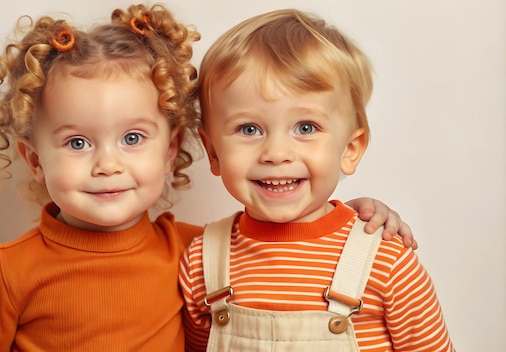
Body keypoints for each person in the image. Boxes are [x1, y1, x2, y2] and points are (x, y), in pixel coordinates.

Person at [0, 4, 417, 351]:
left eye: (132, 138)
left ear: (172, 148)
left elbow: (286, 240)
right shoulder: (9, 271)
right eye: (78, 143)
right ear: (34, 160)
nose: (107, 164)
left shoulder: (193, 251)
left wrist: (366, 212)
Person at [179, 8, 454, 352]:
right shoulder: (201, 261)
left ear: (350, 149)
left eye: (305, 128)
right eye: (249, 129)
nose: (276, 153)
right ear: (214, 152)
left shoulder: (385, 259)